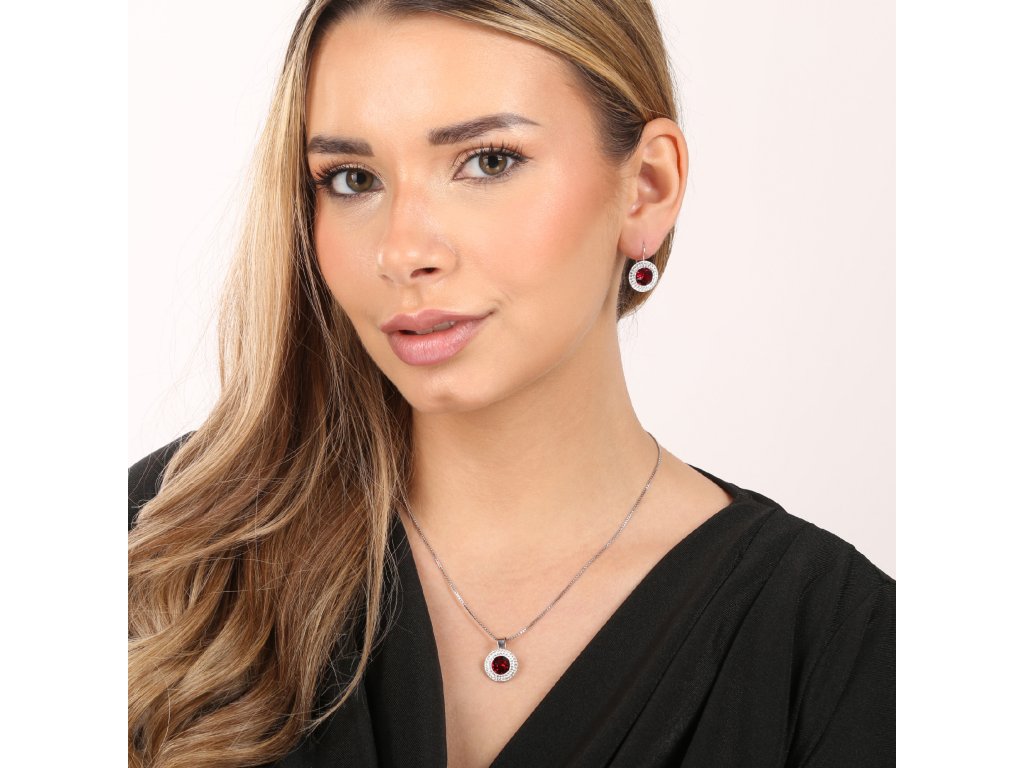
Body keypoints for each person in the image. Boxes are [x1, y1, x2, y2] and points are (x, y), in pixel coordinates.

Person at [128, 1, 895, 766]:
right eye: (353, 179)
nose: (403, 251)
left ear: (647, 188)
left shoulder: (843, 653)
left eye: (488, 162)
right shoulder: (158, 550)